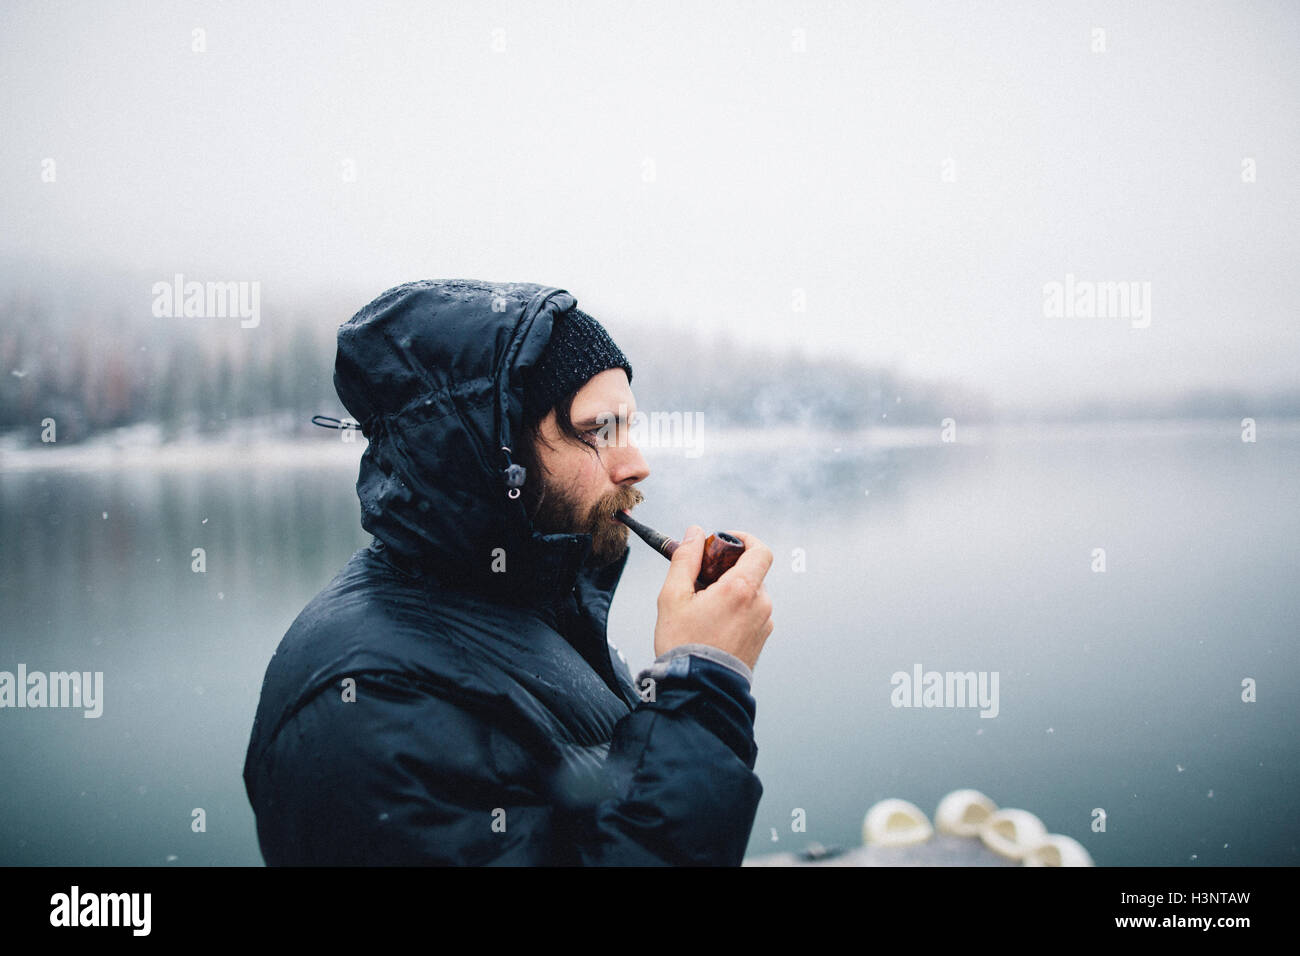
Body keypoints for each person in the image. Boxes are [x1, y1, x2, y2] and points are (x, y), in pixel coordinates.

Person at [242, 279, 775, 865]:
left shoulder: (525, 603)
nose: (636, 465)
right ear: (493, 453)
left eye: (630, 428)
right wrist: (702, 690)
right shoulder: (365, 703)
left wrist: (694, 688)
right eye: (599, 432)